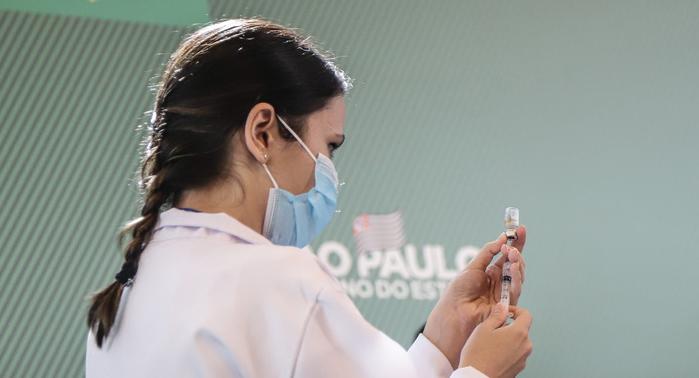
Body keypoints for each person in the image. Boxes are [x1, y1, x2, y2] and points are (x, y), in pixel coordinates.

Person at [86, 19, 532, 377]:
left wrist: (444, 337)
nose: (330, 169)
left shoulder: (131, 286)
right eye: (330, 146)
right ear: (263, 132)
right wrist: (482, 371)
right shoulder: (278, 280)